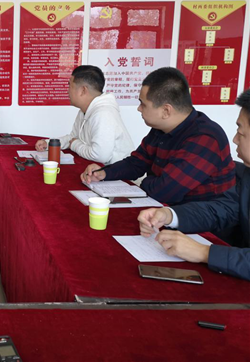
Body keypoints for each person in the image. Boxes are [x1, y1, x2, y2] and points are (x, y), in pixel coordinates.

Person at [137, 89, 250, 281]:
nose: (235, 139)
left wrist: (204, 252)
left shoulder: (205, 135)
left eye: (241, 132)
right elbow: (221, 209)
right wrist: (169, 215)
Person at [81, 67, 235, 205]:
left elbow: (164, 191)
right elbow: (136, 163)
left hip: (199, 220)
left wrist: (145, 182)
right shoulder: (160, 129)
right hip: (164, 210)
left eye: (143, 104)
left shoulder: (205, 138)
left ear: (166, 111)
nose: (139, 109)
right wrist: (104, 173)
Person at [35, 65, 133, 164]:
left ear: (83, 90)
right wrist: (50, 144)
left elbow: (100, 156)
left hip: (119, 172)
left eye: (70, 86)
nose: (68, 91)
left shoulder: (103, 113)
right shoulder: (84, 110)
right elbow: (73, 137)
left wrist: (75, 145)